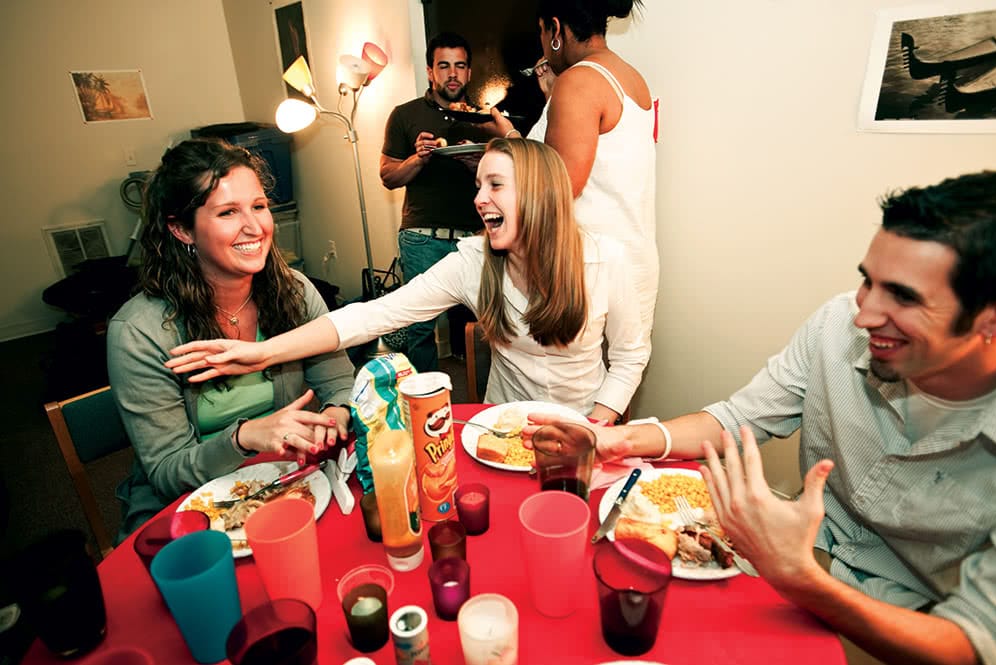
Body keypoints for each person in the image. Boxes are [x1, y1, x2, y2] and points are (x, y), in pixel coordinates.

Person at [527, 171, 996, 664]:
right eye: (868, 281)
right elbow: (737, 419)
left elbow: (970, 645)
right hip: (802, 550)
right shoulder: (837, 325)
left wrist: (799, 578)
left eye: (903, 296)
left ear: (991, 316)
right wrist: (620, 439)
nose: (863, 315)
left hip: (914, 622)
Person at [167, 138, 649, 423]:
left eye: (495, 185)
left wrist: (600, 419)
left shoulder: (606, 261)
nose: (479, 199)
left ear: (540, 194)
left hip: (585, 422)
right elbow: (374, 314)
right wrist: (263, 352)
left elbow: (630, 356)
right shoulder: (473, 262)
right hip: (502, 427)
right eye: (478, 185)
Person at [107, 138, 355, 539]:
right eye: (227, 212)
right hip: (191, 512)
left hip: (290, 484)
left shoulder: (295, 292)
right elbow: (168, 473)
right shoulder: (139, 333)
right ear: (182, 229)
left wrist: (336, 415)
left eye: (259, 206)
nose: (255, 227)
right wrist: (244, 437)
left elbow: (341, 383)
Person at [492, 0, 658, 343]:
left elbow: (557, 188)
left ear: (555, 29)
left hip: (590, 270)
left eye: (541, 31)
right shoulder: (630, 77)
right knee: (617, 383)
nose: (541, 42)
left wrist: (507, 137)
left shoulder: (578, 83)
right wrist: (556, 95)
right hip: (634, 259)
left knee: (569, 392)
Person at [380, 31, 493, 372]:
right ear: (430, 72)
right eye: (444, 66)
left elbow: (510, 180)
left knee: (490, 324)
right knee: (419, 328)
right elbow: (388, 177)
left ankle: (486, 402)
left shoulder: (486, 119)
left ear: (469, 72)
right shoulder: (404, 115)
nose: (453, 74)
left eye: (460, 66)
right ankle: (424, 402)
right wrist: (418, 159)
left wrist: (480, 167)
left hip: (477, 238)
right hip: (422, 237)